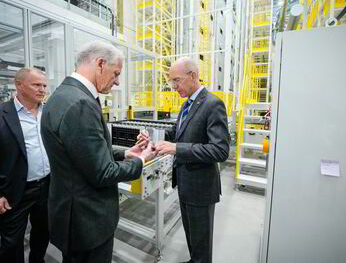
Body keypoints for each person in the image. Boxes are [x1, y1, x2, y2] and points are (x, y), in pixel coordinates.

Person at [40, 40, 156, 263]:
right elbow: (103, 173)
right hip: (87, 220)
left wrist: (125, 153)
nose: (118, 81)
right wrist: (141, 160)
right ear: (101, 64)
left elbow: (81, 152)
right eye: (116, 73)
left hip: (71, 214)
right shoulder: (81, 104)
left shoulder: (62, 95)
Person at [153, 57, 230, 263]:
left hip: (201, 188)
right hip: (186, 184)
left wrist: (177, 149)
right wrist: (152, 136)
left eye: (176, 81)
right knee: (193, 239)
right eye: (171, 82)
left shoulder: (212, 104)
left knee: (202, 244)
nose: (173, 87)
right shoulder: (187, 103)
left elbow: (220, 150)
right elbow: (178, 132)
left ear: (193, 76)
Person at [0, 67, 51, 263]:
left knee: (43, 234)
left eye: (44, 85)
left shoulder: (48, 113)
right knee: (11, 243)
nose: (42, 90)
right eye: (36, 85)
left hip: (47, 186)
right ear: (19, 85)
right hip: (14, 191)